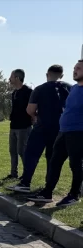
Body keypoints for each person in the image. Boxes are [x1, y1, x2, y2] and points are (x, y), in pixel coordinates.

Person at [8, 65, 71, 193]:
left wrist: (35, 116)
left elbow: (30, 109)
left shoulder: (40, 89)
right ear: (62, 75)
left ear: (47, 75)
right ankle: (49, 186)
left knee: (31, 154)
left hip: (42, 127)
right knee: (52, 157)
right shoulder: (70, 88)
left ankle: (25, 182)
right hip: (60, 128)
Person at [28, 60, 83, 207]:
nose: (75, 70)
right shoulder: (75, 89)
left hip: (78, 133)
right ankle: (47, 192)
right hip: (63, 131)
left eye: (78, 68)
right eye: (74, 68)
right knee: (54, 161)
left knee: (75, 164)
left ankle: (74, 194)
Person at [6, 69, 34, 179]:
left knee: (22, 151)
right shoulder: (14, 93)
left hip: (24, 126)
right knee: (12, 151)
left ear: (17, 78)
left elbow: (33, 107)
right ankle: (13, 174)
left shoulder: (28, 91)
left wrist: (33, 118)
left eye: (11, 76)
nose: (9, 79)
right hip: (13, 126)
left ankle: (26, 175)